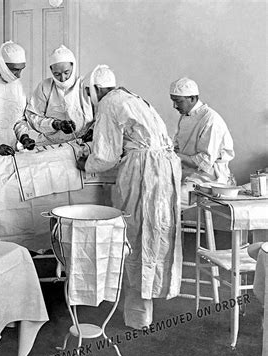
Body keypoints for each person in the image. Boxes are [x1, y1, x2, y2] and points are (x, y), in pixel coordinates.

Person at [77, 65, 182, 330]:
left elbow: (106, 156)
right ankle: (144, 309)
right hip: (165, 168)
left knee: (135, 233)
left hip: (144, 171)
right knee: (155, 232)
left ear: (96, 90)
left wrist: (85, 163)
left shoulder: (109, 104)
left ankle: (137, 315)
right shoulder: (133, 99)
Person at [169, 77, 235, 204]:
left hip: (210, 178)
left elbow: (204, 162)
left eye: (178, 101)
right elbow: (177, 146)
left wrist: (175, 155)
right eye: (173, 101)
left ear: (192, 98)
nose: (174, 106)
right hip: (189, 173)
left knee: (174, 198)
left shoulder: (210, 120)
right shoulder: (185, 117)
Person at [25, 45, 93, 145]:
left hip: (82, 143)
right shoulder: (45, 87)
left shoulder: (84, 86)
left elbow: (100, 115)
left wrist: (92, 130)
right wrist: (55, 124)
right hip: (52, 144)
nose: (62, 78)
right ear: (51, 70)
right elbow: (32, 117)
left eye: (66, 72)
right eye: (57, 74)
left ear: (73, 67)